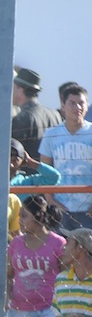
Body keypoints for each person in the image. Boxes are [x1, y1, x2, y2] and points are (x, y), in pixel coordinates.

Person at [39, 85, 92, 230]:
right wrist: (51, 201)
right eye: (72, 103)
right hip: (60, 207)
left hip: (88, 209)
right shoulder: (51, 134)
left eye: (81, 103)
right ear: (63, 106)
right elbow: (44, 171)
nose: (77, 107)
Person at [11, 68, 62, 159]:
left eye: (13, 88)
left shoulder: (22, 118)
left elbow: (14, 154)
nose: (11, 92)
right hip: (49, 168)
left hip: (29, 168)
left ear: (20, 89)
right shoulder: (55, 115)